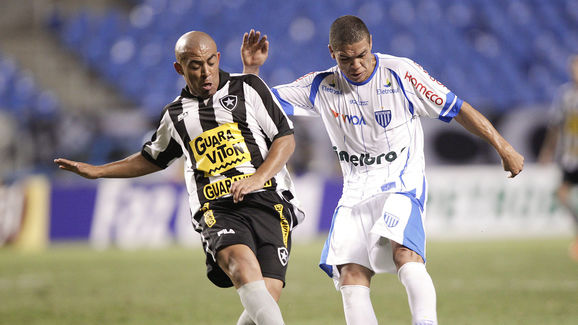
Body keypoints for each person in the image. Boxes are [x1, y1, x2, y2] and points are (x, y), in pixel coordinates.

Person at [241, 16, 524, 325]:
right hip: (355, 194)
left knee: (406, 254)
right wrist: (252, 71)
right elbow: (257, 102)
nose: (356, 65)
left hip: (400, 184)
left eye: (361, 55)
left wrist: (504, 147)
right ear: (331, 53)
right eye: (345, 58)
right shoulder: (321, 85)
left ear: (371, 43)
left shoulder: (401, 73)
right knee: (350, 273)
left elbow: (457, 108)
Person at [55, 30, 304, 325]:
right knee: (241, 270)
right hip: (217, 208)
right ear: (180, 68)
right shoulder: (175, 115)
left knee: (266, 295)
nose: (205, 72)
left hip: (267, 200)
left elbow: (285, 139)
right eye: (195, 65)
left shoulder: (248, 87)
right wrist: (98, 171)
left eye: (210, 62)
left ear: (218, 58)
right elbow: (152, 158)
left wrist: (257, 178)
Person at [539, 54, 578, 261]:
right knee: (562, 194)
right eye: (573, 69)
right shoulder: (565, 95)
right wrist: (548, 151)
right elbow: (555, 126)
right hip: (570, 157)